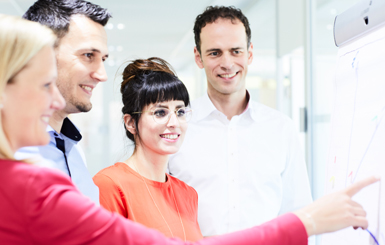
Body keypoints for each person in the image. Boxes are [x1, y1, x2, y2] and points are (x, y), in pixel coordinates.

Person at [0, 13, 379, 245]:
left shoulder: (274, 132)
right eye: (44, 85)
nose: (173, 124)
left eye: (179, 111)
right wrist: (308, 221)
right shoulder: (41, 185)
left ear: (251, 53)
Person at [168, 5, 313, 237]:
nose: (227, 63)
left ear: (250, 53)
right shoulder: (174, 128)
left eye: (236, 51)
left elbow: (298, 214)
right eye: (215, 53)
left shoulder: (280, 128)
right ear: (198, 57)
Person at [93, 58, 202, 241]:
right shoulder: (109, 185)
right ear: (130, 123)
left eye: (180, 112)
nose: (174, 123)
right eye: (160, 112)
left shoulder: (188, 194)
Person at [15, 0, 112, 204]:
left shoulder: (71, 147)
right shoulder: (12, 149)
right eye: (88, 55)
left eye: (102, 59)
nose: (102, 75)